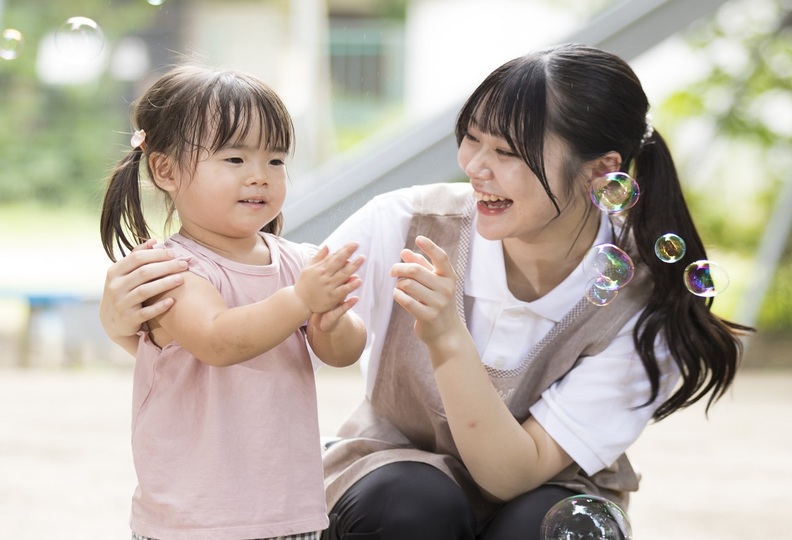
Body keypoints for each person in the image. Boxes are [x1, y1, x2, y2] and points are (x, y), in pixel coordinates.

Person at [99, 45, 751, 540]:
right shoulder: (406, 222)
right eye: (473, 141)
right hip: (397, 475)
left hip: (546, 490)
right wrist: (123, 318)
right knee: (412, 501)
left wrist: (446, 340)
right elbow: (249, 323)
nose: (475, 168)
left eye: (509, 153)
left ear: (602, 172)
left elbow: (511, 474)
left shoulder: (648, 302)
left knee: (543, 523)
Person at [99, 64, 367, 540]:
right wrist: (302, 298)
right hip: (195, 518)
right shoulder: (171, 269)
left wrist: (329, 316)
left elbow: (343, 353)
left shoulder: (296, 262)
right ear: (165, 170)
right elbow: (218, 341)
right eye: (235, 160)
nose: (260, 177)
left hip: (290, 510)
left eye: (276, 161)